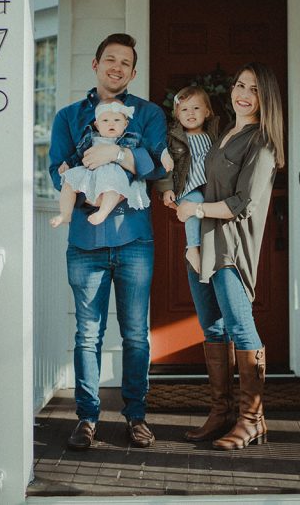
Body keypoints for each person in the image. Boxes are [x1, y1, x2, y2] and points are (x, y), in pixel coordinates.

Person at [48, 33, 168, 451]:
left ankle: (136, 416)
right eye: (110, 59)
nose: (116, 67)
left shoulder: (149, 114)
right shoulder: (68, 117)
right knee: (87, 334)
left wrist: (115, 156)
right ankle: (87, 418)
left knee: (136, 334)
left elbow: (152, 165)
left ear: (133, 73)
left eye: (125, 63)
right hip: (84, 241)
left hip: (135, 239)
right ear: (96, 64)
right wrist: (88, 184)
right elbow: (55, 169)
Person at [175, 62, 284, 451]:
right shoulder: (222, 134)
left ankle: (252, 420)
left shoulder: (262, 143)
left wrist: (197, 212)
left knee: (241, 328)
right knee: (214, 330)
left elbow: (244, 203)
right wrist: (191, 241)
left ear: (264, 98)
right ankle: (221, 414)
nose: (243, 94)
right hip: (202, 249)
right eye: (240, 85)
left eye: (253, 89)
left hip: (230, 250)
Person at [51, 98, 171, 227]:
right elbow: (78, 155)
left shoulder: (133, 139)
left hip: (115, 174)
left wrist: (164, 155)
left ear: (125, 124)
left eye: (117, 120)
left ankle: (103, 212)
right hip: (91, 174)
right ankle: (65, 213)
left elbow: (153, 149)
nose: (111, 124)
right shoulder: (89, 139)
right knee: (69, 182)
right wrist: (67, 164)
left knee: (112, 186)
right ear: (97, 125)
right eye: (105, 120)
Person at [154, 85, 220, 273]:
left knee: (209, 211)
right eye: (184, 109)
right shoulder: (174, 139)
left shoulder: (212, 136)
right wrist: (166, 189)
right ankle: (192, 248)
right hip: (186, 186)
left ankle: (210, 252)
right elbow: (166, 165)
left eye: (196, 108)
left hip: (207, 187)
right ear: (177, 115)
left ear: (207, 111)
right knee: (196, 202)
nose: (190, 113)